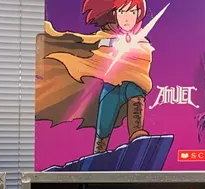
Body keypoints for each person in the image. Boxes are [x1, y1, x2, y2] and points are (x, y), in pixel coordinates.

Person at [37, 0, 159, 155]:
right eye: (123, 12)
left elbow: (142, 63)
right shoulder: (102, 38)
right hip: (110, 87)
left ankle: (137, 133)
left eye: (133, 12)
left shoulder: (141, 42)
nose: (128, 17)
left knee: (136, 94)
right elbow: (88, 43)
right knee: (104, 124)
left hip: (132, 85)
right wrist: (109, 42)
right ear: (114, 14)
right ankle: (98, 152)